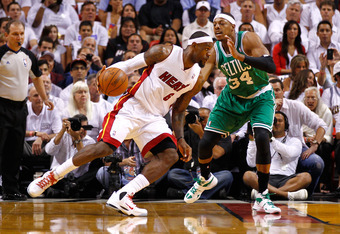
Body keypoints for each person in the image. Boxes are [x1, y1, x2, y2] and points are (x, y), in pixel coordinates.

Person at [27, 31, 214, 217]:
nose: (209, 54)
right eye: (207, 49)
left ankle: (124, 195)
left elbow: (180, 109)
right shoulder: (166, 52)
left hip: (154, 117)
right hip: (132, 106)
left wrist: (180, 138)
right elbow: (128, 65)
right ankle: (52, 176)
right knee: (105, 147)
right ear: (194, 45)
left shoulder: (196, 78)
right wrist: (106, 77)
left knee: (170, 154)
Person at [185, 13, 281, 214]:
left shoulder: (247, 38)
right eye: (215, 24)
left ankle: (262, 195)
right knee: (205, 142)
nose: (217, 27)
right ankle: (205, 179)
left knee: (262, 137)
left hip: (259, 96)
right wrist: (183, 92)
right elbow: (202, 77)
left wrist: (241, 57)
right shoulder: (215, 49)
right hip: (233, 97)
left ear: (233, 26)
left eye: (222, 23)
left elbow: (272, 67)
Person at [0, 20, 53, 200]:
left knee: (14, 152)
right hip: (2, 107)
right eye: (15, 34)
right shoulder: (0, 54)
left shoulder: (28, 55)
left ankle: (10, 190)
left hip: (20, 108)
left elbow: (37, 77)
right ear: (6, 35)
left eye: (21, 34)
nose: (19, 37)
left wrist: (44, 98)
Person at [270, 78, 327, 196]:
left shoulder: (296, 106)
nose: (274, 93)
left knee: (317, 163)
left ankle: (306, 194)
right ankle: (285, 194)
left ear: (283, 91)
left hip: (296, 149)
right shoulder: (262, 108)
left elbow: (321, 125)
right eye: (271, 90)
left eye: (277, 90)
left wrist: (315, 145)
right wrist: (272, 110)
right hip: (271, 147)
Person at [167, 107, 233, 200]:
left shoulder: (220, 131)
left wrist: (201, 133)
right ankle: (208, 192)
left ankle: (186, 193)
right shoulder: (189, 130)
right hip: (192, 175)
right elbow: (172, 145)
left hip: (212, 174)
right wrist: (181, 124)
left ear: (212, 118)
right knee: (173, 174)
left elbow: (216, 154)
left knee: (227, 176)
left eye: (203, 118)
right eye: (198, 117)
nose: (200, 121)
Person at [244, 111, 311, 200]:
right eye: (274, 121)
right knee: (248, 175)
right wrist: (252, 140)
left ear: (286, 124)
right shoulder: (262, 141)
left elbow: (290, 154)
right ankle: (285, 195)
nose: (277, 123)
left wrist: (271, 139)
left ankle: (265, 194)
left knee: (306, 177)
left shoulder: (294, 141)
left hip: (287, 179)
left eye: (280, 121)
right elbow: (251, 163)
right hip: (265, 177)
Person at [44, 114, 103, 198]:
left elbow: (85, 159)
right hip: (59, 177)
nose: (82, 130)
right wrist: (62, 130)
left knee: (96, 170)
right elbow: (49, 151)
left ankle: (71, 189)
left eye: (85, 127)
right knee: (48, 176)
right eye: (79, 127)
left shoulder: (90, 141)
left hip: (79, 180)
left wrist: (77, 138)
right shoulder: (62, 136)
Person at [303, 87, 333, 194]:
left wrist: (318, 139)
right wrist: (307, 138)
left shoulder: (326, 111)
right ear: (304, 99)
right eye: (308, 98)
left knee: (324, 148)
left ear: (318, 99)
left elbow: (329, 135)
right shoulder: (300, 109)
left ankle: (323, 183)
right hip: (305, 139)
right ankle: (306, 183)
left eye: (313, 98)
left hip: (322, 140)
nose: (310, 101)